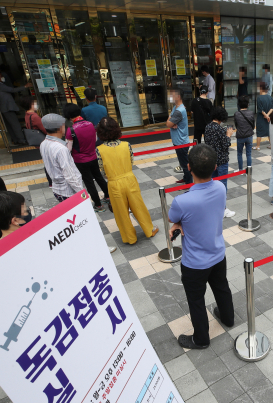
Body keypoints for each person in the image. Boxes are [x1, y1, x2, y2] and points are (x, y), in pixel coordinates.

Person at [168, 144, 234, 349]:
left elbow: (173, 218)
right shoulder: (220, 188)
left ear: (188, 167)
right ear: (215, 167)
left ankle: (201, 339)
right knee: (222, 287)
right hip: (217, 253)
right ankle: (228, 318)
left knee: (196, 300)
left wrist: (179, 224)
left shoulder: (182, 201)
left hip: (195, 263)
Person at [96, 117, 159, 244]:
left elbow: (102, 171)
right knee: (138, 206)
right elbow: (131, 162)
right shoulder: (126, 145)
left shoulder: (99, 150)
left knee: (121, 212)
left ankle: (130, 238)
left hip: (113, 182)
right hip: (129, 178)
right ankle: (149, 230)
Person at [63, 103, 109, 212]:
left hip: (80, 160)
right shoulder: (90, 124)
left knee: (89, 182)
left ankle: (98, 205)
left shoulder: (71, 130)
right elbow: (95, 140)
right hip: (93, 156)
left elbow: (68, 149)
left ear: (69, 116)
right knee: (99, 177)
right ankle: (108, 196)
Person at [40, 114, 85, 202]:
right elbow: (70, 175)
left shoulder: (43, 143)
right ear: (61, 127)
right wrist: (82, 193)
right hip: (68, 192)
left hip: (57, 189)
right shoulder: (61, 149)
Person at [204, 106, 236, 218]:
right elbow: (225, 144)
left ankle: (213, 207)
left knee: (212, 185)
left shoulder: (207, 127)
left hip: (211, 162)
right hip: (221, 161)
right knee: (222, 186)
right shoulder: (220, 130)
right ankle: (223, 209)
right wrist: (228, 135)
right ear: (222, 117)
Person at [0, 69, 31, 145]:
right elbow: (12, 90)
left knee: (9, 125)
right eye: (1, 76)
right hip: (7, 108)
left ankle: (15, 139)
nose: (2, 77)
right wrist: (25, 86)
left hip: (3, 108)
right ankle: (21, 140)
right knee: (15, 124)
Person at [19, 95, 51, 188]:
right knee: (49, 161)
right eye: (34, 103)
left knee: (47, 161)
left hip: (38, 142)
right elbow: (45, 129)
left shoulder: (27, 115)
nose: (36, 104)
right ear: (30, 104)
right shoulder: (34, 116)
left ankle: (51, 181)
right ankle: (51, 181)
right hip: (44, 142)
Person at [166, 88, 192, 184]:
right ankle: (186, 178)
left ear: (178, 97)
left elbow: (168, 124)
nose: (170, 97)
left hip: (181, 141)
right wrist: (171, 121)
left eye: (172, 95)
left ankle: (189, 182)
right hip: (178, 140)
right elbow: (170, 122)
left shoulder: (179, 111)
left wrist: (171, 121)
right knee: (182, 162)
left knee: (185, 164)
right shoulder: (176, 107)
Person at [234, 95, 254, 172]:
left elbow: (236, 125)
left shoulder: (236, 114)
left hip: (240, 136)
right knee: (248, 154)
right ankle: (249, 171)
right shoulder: (251, 113)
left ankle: (240, 170)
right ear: (248, 104)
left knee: (239, 153)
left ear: (239, 104)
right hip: (249, 136)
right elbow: (253, 125)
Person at [255, 82, 273, 150]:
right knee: (269, 131)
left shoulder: (259, 98)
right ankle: (271, 145)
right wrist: (268, 116)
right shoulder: (270, 97)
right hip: (268, 118)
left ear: (261, 88)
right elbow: (272, 108)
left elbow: (260, 109)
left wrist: (265, 115)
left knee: (259, 131)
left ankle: (258, 146)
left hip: (261, 117)